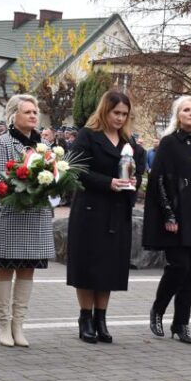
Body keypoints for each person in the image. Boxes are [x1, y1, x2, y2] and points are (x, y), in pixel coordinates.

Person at [143, 95, 191, 345]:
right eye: (186, 110)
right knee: (179, 267)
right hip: (178, 217)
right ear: (177, 115)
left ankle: (182, 324)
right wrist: (168, 213)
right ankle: (158, 309)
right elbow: (159, 180)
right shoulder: (169, 143)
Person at [67, 91, 141, 344]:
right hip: (90, 209)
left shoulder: (129, 142)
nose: (120, 118)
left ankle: (101, 318)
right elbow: (76, 169)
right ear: (104, 111)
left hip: (117, 212)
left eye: (124, 114)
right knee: (88, 265)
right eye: (116, 113)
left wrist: (133, 182)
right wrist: (107, 182)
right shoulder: (88, 136)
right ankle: (85, 318)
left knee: (109, 267)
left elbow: (137, 173)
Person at [0, 94, 54, 348]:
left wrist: (47, 187)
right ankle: (3, 323)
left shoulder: (44, 147)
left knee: (28, 268)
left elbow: (54, 175)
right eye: (28, 112)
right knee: (5, 267)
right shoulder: (2, 143)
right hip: (10, 213)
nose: (34, 116)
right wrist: (22, 187)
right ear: (13, 115)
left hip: (35, 215)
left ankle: (18, 324)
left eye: (35, 112)